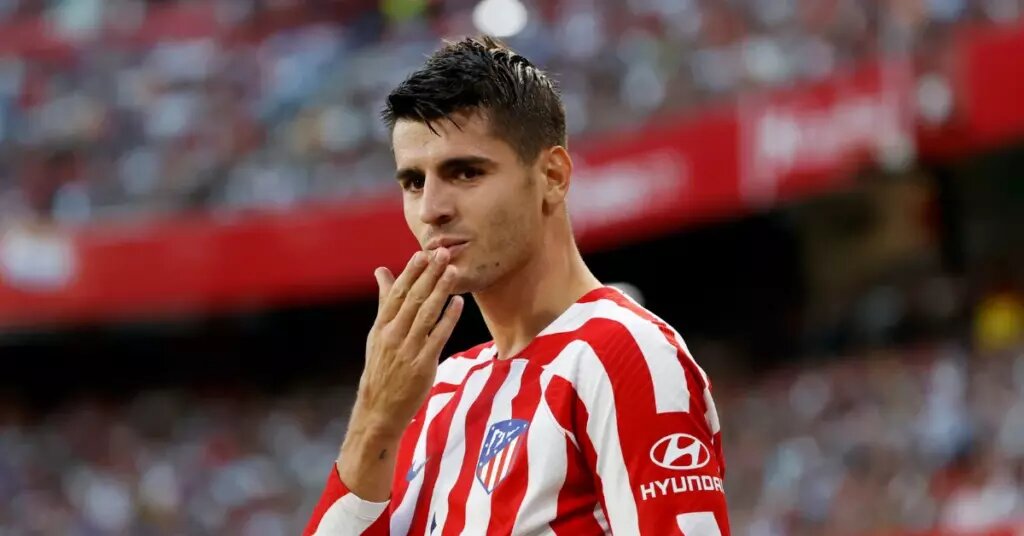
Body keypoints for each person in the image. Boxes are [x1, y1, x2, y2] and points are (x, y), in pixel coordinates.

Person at [304, 35, 730, 535]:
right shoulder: (438, 391)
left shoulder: (625, 355)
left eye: (465, 172)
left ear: (552, 176)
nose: (431, 209)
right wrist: (374, 421)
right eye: (414, 182)